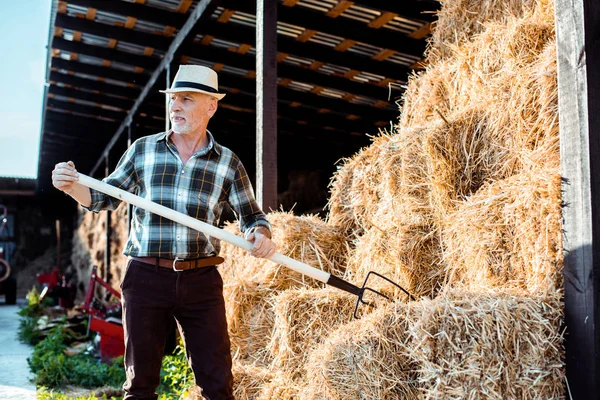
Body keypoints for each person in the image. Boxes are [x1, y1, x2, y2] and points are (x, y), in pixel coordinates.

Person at [52, 64, 277, 400]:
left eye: (186, 99)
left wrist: (260, 234)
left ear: (210, 106)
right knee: (140, 384)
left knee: (217, 383)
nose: (175, 106)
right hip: (146, 276)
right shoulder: (144, 149)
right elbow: (102, 196)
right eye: (173, 99)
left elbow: (252, 216)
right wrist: (71, 186)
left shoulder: (227, 162)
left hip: (201, 280)